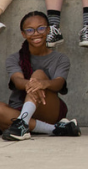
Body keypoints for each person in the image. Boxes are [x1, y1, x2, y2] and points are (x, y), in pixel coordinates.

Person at [1, 11, 80, 141]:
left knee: (38, 75)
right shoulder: (13, 58)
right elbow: (17, 81)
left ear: (48, 30)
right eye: (30, 30)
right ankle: (54, 129)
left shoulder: (60, 58)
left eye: (41, 28)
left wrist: (43, 84)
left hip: (48, 108)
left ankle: (22, 123)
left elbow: (59, 83)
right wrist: (32, 84)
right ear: (23, 34)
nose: (36, 33)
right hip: (18, 110)